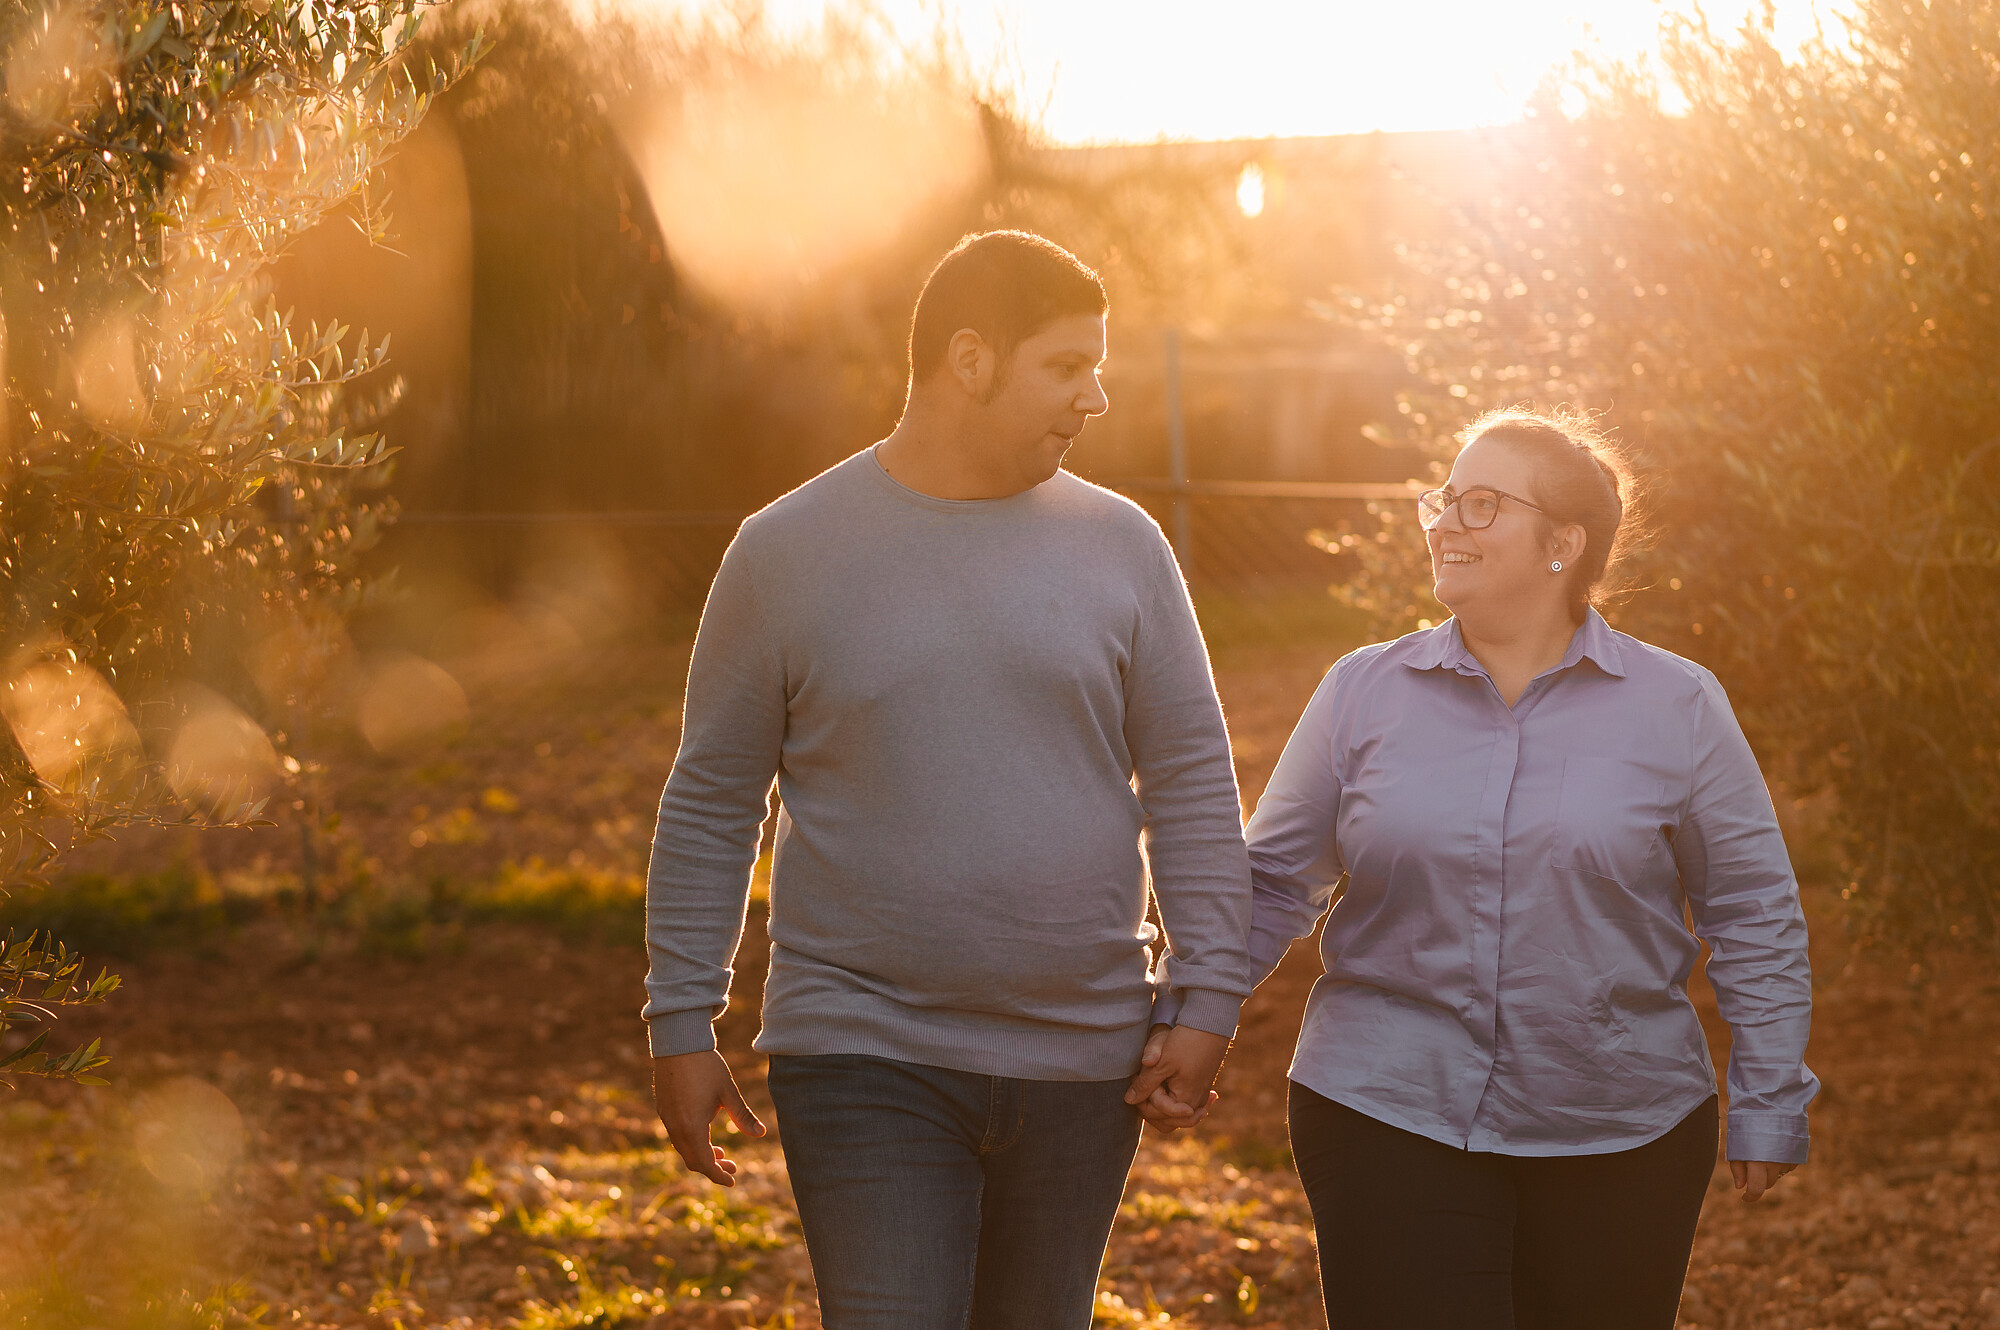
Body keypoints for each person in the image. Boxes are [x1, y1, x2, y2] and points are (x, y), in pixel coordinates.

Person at [641, 230, 1255, 1329]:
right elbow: (712, 800)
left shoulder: (1124, 547)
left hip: (1082, 1061)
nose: (1096, 397)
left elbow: (1192, 782)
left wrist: (1209, 997)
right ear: (970, 360)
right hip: (862, 1048)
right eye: (1066, 366)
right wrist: (682, 1018)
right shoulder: (784, 552)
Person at [1149, 406, 1816, 1328]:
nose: (1445, 523)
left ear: (1563, 545)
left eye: (1483, 503)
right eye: (1445, 498)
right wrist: (1196, 1016)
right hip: (1386, 1107)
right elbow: (1270, 882)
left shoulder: (1680, 706)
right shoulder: (1361, 691)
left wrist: (1770, 1096)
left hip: (1622, 1127)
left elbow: (1751, 910)